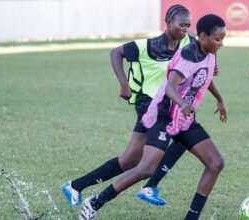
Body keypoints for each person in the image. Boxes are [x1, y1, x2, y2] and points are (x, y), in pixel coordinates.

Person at [78, 14, 227, 220]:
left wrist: (219, 99)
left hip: (183, 118)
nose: (221, 43)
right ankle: (94, 202)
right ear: (202, 36)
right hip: (163, 115)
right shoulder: (188, 56)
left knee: (216, 163)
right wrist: (183, 103)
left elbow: (205, 76)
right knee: (146, 168)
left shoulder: (208, 53)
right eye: (218, 39)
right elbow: (170, 87)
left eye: (223, 38)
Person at [61, 4, 195, 208]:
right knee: (185, 136)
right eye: (181, 24)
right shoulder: (145, 46)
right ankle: (150, 187)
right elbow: (115, 53)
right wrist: (124, 84)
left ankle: (75, 186)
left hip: (166, 105)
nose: (185, 29)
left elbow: (202, 54)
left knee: (128, 161)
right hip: (148, 105)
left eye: (188, 25)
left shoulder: (187, 42)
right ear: (167, 22)